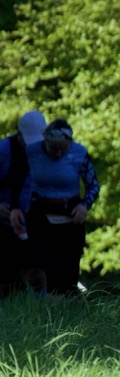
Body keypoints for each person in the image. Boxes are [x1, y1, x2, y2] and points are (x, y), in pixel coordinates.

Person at [8, 118, 100, 296]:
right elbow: (16, 180)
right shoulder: (31, 152)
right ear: (45, 143)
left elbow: (93, 186)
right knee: (39, 265)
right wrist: (15, 208)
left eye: (62, 149)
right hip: (40, 213)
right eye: (53, 149)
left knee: (67, 270)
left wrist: (84, 206)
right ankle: (40, 300)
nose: (57, 154)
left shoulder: (79, 153)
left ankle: (67, 302)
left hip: (70, 215)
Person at [0, 110, 45, 297]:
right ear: (20, 135)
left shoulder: (43, 153)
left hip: (30, 224)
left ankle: (40, 304)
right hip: (4, 226)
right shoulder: (3, 152)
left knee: (37, 270)